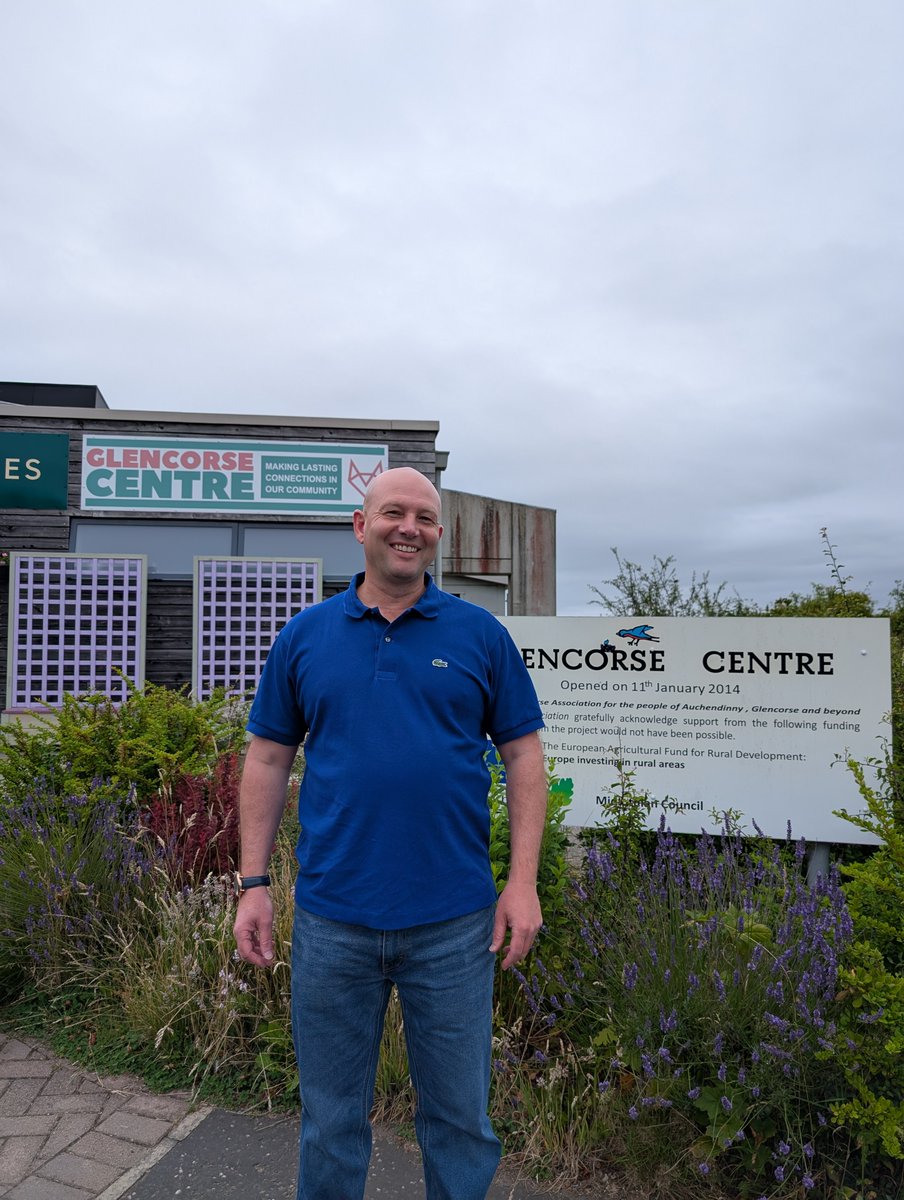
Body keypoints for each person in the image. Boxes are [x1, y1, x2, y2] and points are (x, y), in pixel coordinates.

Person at [234, 466, 547, 1200]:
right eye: (394, 513)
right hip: (332, 920)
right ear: (360, 526)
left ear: (438, 536)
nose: (410, 527)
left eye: (426, 518)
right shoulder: (306, 637)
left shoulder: (480, 635)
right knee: (331, 1121)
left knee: (461, 1121)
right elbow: (268, 757)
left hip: (454, 924)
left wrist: (522, 882)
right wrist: (252, 884)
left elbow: (524, 755)